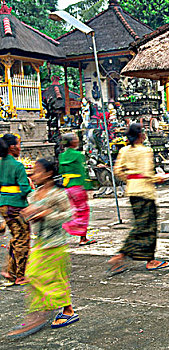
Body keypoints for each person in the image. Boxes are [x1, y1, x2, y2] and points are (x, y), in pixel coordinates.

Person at [7, 159, 77, 338]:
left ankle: (62, 311)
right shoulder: (34, 194)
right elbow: (31, 212)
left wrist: (47, 214)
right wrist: (28, 214)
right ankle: (41, 312)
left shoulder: (58, 194)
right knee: (33, 275)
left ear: (48, 174)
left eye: (37, 171)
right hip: (40, 243)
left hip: (56, 243)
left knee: (47, 277)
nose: (33, 175)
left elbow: (68, 215)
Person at [109, 123, 169, 275]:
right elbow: (147, 173)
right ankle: (134, 257)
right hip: (145, 191)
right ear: (140, 135)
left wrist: (129, 178)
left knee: (141, 224)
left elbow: (117, 170)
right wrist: (159, 178)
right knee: (147, 227)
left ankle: (135, 256)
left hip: (132, 189)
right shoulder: (145, 151)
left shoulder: (124, 150)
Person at [0, 134, 32, 286]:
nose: (20, 147)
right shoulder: (17, 166)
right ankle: (19, 274)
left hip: (4, 204)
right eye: (18, 144)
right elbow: (25, 189)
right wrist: (31, 186)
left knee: (15, 236)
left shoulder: (1, 164)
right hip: (17, 205)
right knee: (22, 239)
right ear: (12, 147)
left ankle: (10, 271)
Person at [59, 133, 95, 246]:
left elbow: (61, 171)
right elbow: (83, 171)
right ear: (72, 142)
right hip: (78, 186)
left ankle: (68, 230)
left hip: (68, 186)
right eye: (76, 139)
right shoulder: (78, 155)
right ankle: (81, 237)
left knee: (73, 211)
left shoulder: (62, 156)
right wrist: (88, 186)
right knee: (83, 212)